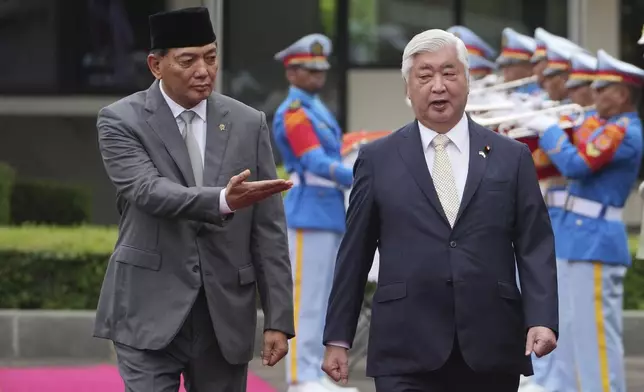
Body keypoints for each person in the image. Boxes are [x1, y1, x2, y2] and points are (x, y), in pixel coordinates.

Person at [321, 28, 559, 392]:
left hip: (491, 345)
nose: (438, 86)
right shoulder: (377, 159)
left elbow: (534, 244)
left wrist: (542, 318)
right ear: (407, 87)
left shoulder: (511, 157)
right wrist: (338, 336)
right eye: (425, 75)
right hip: (405, 346)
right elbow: (355, 252)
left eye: (449, 73)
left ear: (466, 80)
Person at [93, 7, 295, 392]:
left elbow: (269, 229)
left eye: (211, 57)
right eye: (188, 60)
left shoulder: (249, 122)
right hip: (147, 307)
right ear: (156, 65)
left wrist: (277, 318)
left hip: (224, 315)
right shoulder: (121, 120)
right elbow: (146, 190)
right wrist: (221, 200)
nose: (203, 70)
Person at [528, 48, 644, 392]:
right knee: (570, 329)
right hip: (576, 237)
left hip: (594, 239)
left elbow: (577, 165)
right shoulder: (603, 126)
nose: (592, 94)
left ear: (621, 94)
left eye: (600, 89)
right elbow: (550, 163)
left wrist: (550, 130)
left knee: (595, 338)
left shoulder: (623, 131)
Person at [272, 34, 358, 392]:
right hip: (309, 209)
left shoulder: (315, 107)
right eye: (309, 69)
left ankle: (315, 372)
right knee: (306, 298)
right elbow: (312, 160)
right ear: (291, 73)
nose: (317, 75)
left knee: (324, 300)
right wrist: (357, 174)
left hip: (328, 210)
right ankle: (299, 375)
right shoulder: (294, 112)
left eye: (320, 69)